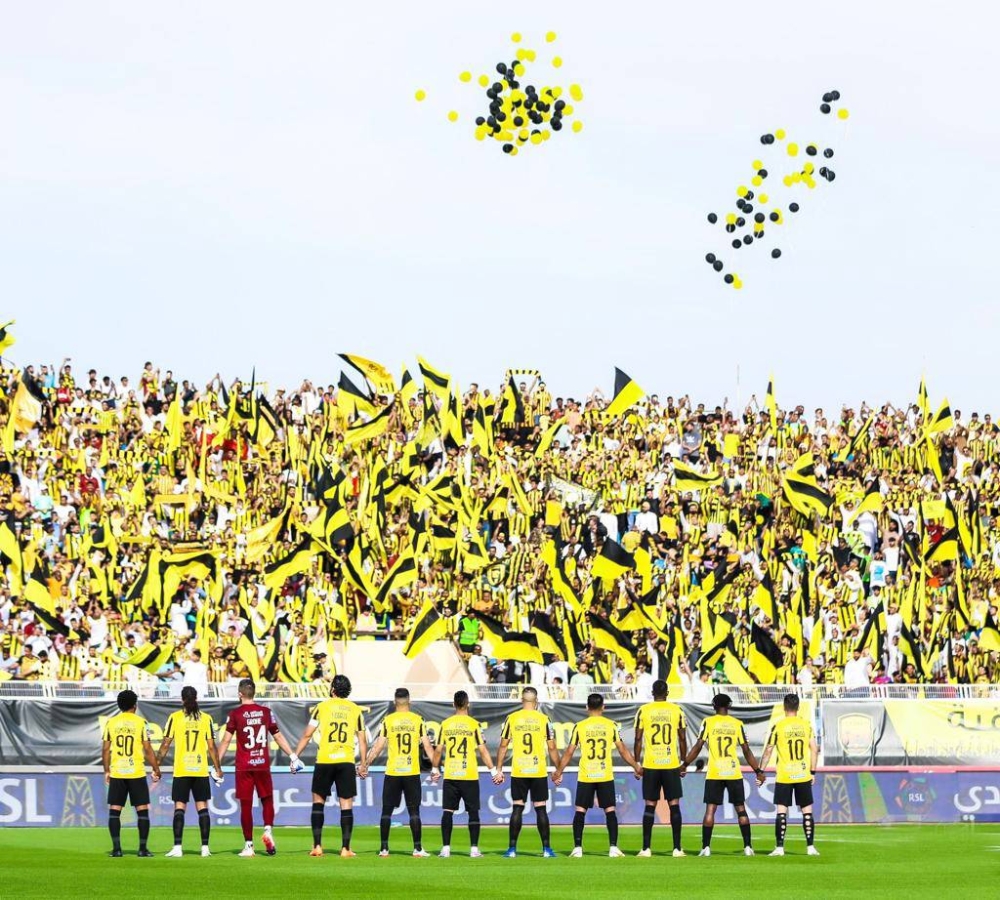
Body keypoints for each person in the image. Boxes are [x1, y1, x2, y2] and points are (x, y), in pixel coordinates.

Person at [217, 678, 303, 858]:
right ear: (253, 693)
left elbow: (225, 740)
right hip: (262, 763)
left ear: (240, 693)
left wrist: (217, 766)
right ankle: (268, 830)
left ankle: (249, 845)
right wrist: (293, 756)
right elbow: (278, 737)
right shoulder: (265, 712)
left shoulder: (236, 714)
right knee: (267, 799)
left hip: (244, 765)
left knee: (246, 805)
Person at [553, 692, 642, 858]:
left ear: (586, 707)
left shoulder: (580, 726)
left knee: (580, 810)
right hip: (604, 774)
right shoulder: (611, 725)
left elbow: (569, 751)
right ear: (603, 707)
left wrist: (559, 771)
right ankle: (613, 848)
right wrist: (636, 766)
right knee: (610, 810)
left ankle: (577, 848)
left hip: (586, 774)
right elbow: (622, 749)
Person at [292, 674, 369, 857]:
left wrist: (295, 756)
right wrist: (363, 764)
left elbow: (307, 735)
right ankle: (345, 848)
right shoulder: (355, 710)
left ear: (332, 689)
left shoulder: (321, 707)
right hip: (345, 761)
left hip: (325, 760)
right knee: (346, 805)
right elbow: (362, 739)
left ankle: (317, 846)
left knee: (318, 803)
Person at [682, 693, 765, 857]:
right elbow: (746, 750)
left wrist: (684, 764)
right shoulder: (737, 724)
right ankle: (748, 847)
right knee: (740, 808)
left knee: (710, 810)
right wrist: (758, 771)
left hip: (715, 772)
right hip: (733, 771)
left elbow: (698, 746)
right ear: (729, 705)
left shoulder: (708, 722)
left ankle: (706, 848)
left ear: (714, 706)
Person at [365, 687, 439, 857]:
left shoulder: (388, 720)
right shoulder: (417, 720)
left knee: (386, 810)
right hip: (411, 771)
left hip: (393, 772)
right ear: (409, 701)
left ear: (394, 702)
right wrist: (435, 767)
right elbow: (427, 746)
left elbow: (378, 746)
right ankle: (418, 848)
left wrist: (366, 764)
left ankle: (384, 848)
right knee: (414, 811)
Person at [493, 686, 561, 858]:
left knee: (517, 807)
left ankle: (512, 849)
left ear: (522, 700)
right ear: (536, 701)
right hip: (538, 770)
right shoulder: (544, 719)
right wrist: (558, 770)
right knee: (540, 809)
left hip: (520, 770)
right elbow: (552, 747)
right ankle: (546, 849)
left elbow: (503, 745)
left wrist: (498, 769)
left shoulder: (512, 718)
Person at [157, 686, 223, 857]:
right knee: (202, 807)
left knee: (180, 807)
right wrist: (218, 769)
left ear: (182, 700)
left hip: (182, 769)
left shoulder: (175, 718)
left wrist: (156, 766)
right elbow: (211, 747)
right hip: (200, 769)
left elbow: (165, 744)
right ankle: (205, 848)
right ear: (196, 698)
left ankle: (178, 847)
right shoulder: (206, 718)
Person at [433, 690, 495, 858]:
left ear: (453, 704)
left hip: (451, 773)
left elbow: (438, 749)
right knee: (473, 812)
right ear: (468, 704)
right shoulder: (474, 724)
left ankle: (446, 848)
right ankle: (474, 849)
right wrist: (493, 770)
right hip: (469, 774)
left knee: (447, 811)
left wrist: (434, 769)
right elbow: (482, 750)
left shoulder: (445, 724)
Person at [101, 689, 161, 857]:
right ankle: (142, 849)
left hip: (118, 772)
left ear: (119, 705)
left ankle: (116, 849)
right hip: (136, 772)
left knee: (115, 810)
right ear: (135, 705)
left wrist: (106, 770)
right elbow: (148, 749)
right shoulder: (141, 723)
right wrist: (156, 768)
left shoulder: (111, 723)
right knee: (142, 809)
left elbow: (105, 749)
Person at [759, 694, 820, 857]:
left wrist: (760, 771)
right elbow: (815, 749)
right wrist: (813, 771)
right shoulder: (806, 725)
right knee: (807, 811)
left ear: (784, 708)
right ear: (798, 707)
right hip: (802, 773)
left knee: (781, 811)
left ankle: (779, 847)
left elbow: (768, 750)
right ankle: (810, 847)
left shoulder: (778, 726)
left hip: (785, 774)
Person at [632, 678, 688, 857]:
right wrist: (683, 762)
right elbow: (682, 738)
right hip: (671, 763)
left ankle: (646, 848)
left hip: (651, 763)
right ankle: (677, 848)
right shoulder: (676, 710)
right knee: (674, 805)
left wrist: (636, 763)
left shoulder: (644, 711)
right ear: (668, 693)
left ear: (652, 693)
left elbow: (638, 739)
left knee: (650, 804)